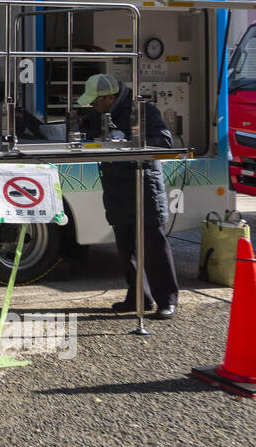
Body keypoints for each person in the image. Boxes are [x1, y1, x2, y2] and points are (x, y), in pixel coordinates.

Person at [77, 74, 180, 319]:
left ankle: (167, 300)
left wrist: (128, 142)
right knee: (126, 248)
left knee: (154, 245)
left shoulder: (141, 110)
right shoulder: (102, 112)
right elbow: (87, 129)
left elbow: (165, 141)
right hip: (117, 186)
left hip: (144, 184)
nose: (92, 107)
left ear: (110, 98)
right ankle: (138, 297)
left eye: (95, 102)